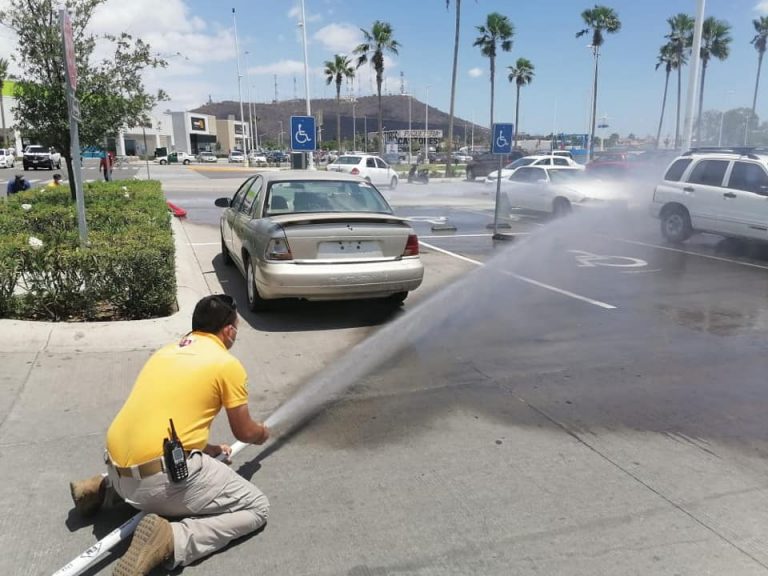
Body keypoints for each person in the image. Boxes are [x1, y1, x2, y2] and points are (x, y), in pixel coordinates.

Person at [69, 294, 270, 575]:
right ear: (228, 330)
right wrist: (262, 433)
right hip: (154, 486)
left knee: (150, 456)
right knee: (256, 507)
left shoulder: (166, 351)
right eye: (236, 328)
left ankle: (100, 488)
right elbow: (245, 431)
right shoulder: (226, 364)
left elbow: (167, 424)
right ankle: (172, 539)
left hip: (114, 465)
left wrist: (208, 449)